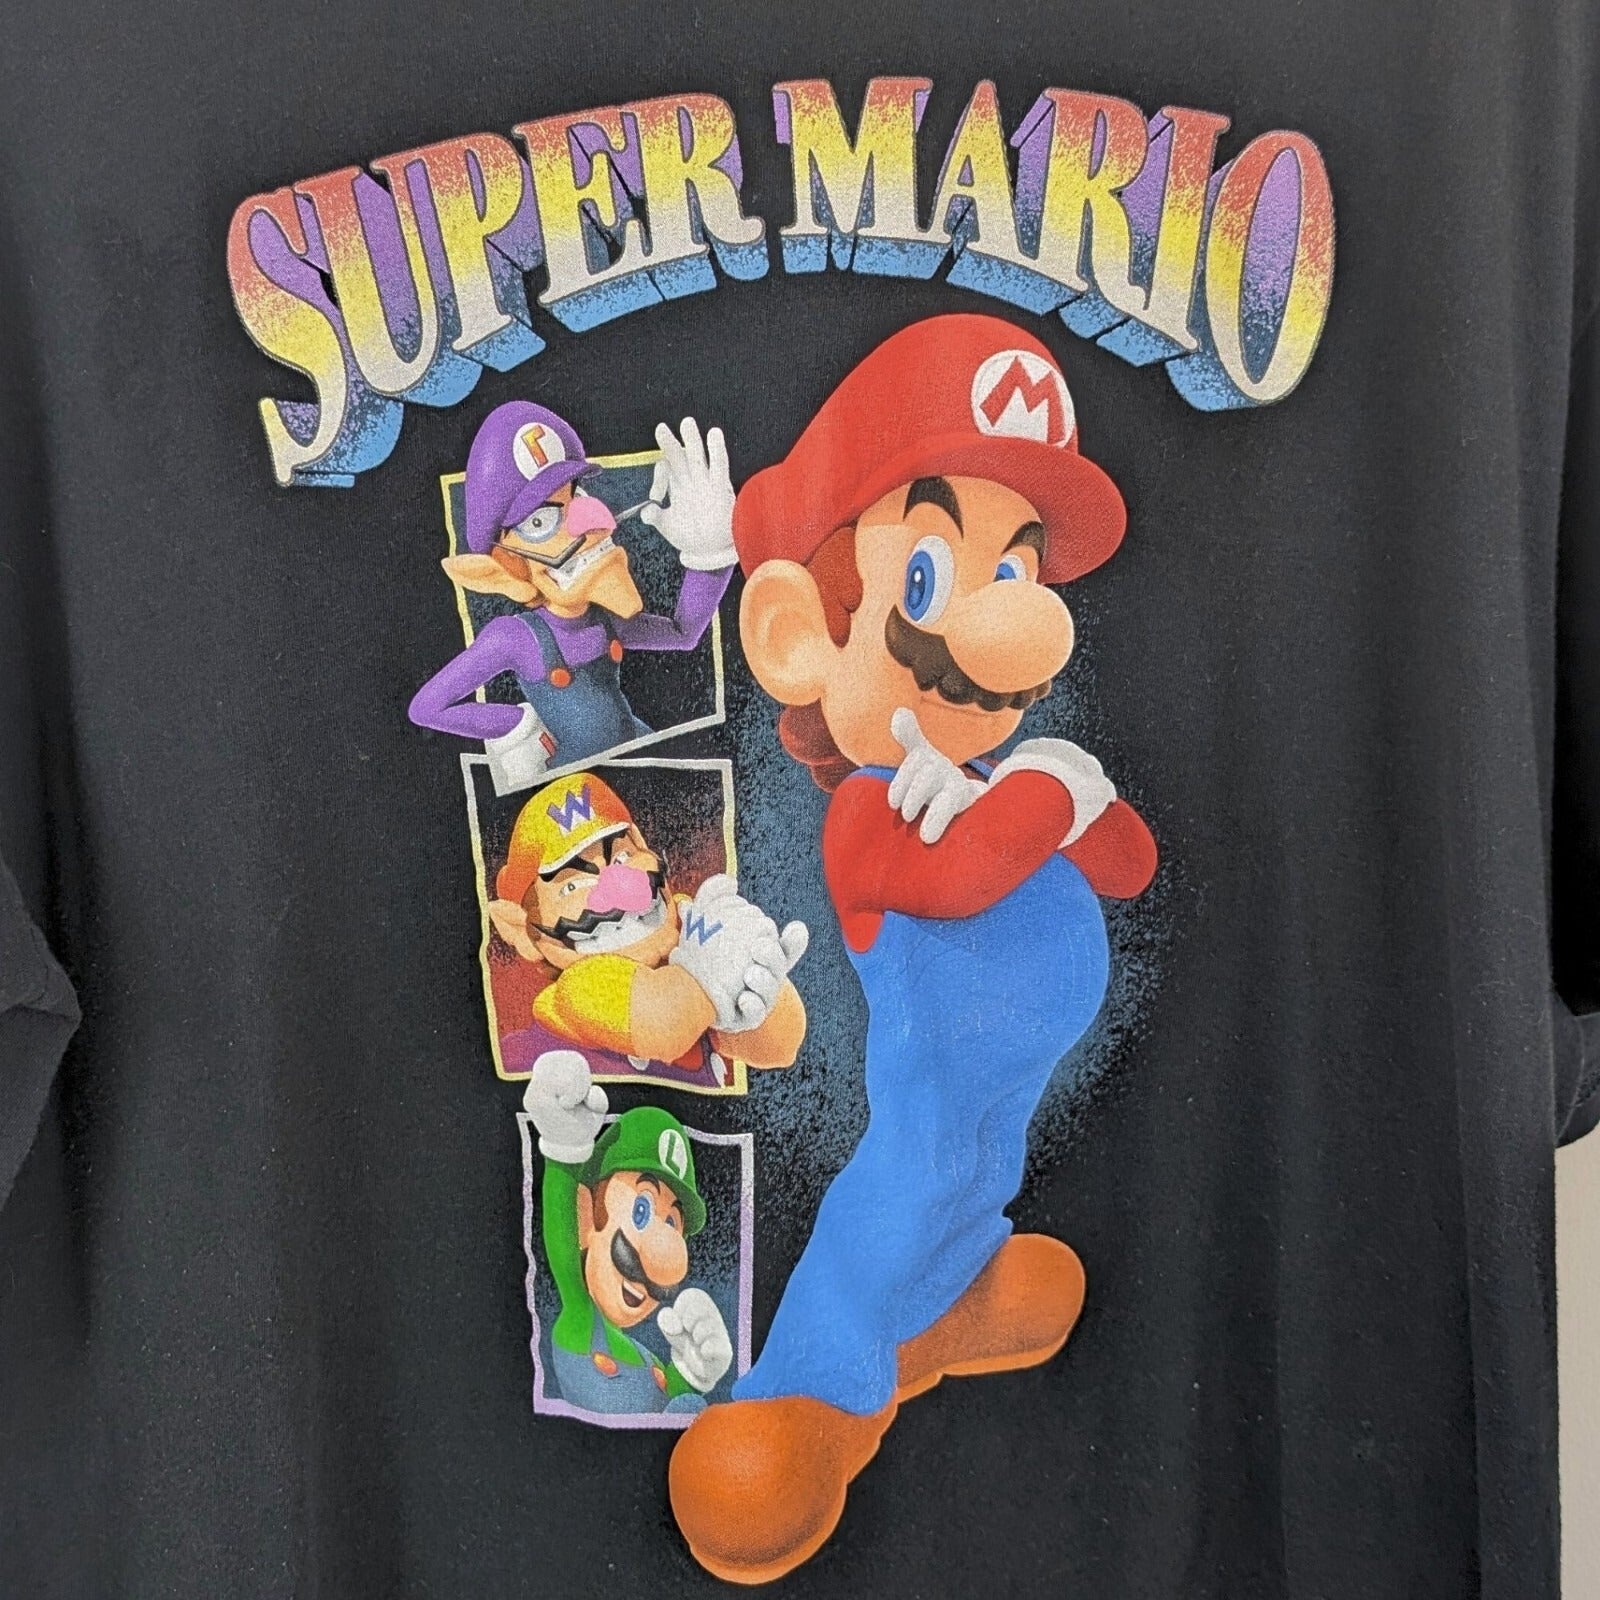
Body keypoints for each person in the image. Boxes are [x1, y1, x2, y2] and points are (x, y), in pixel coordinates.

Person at [668, 314, 1159, 1582]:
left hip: (1004, 1100)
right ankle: (808, 1389)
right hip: (931, 1097)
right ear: (802, 634)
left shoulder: (997, 779)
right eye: (934, 578)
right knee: (902, 1185)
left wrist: (1071, 791)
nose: (1018, 624)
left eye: (1020, 571)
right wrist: (1052, 785)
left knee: (973, 1172)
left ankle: (949, 1299)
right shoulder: (872, 812)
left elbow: (1127, 863)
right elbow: (961, 876)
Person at [409, 402, 736, 788]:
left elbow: (683, 634)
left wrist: (710, 554)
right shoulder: (516, 638)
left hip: (639, 754)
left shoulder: (604, 618)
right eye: (540, 521)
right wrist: (517, 723)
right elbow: (427, 707)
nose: (589, 520)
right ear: (507, 567)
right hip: (579, 786)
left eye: (578, 496)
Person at [486, 770, 808, 1084]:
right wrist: (718, 963)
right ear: (520, 929)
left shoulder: (687, 946)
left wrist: (756, 972)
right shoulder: (578, 987)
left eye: (623, 857)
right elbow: (663, 1023)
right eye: (571, 886)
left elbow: (781, 1047)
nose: (618, 887)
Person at [523, 1054, 731, 1416]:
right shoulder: (581, 1323)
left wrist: (690, 1375)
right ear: (585, 1216)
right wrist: (563, 1149)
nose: (664, 1254)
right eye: (641, 1210)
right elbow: (563, 1245)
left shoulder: (647, 1358)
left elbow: (664, 1403)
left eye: (673, 1224)